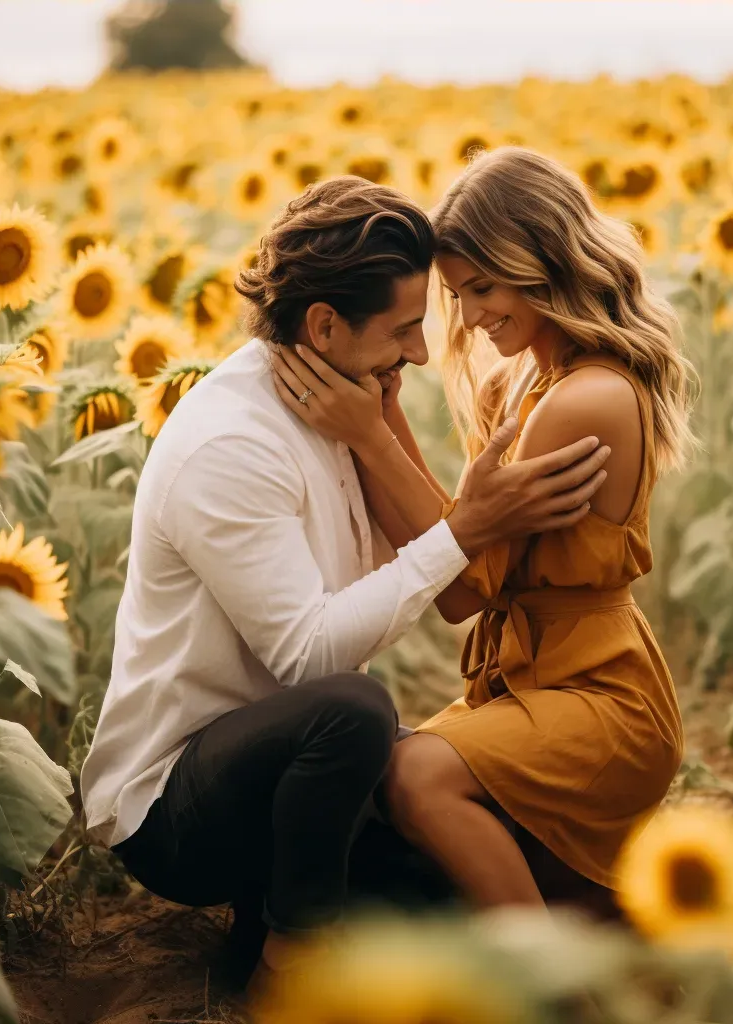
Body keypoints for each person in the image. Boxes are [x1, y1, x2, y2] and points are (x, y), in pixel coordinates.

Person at [78, 175, 611, 988]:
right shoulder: (232, 445)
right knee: (353, 710)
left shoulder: (340, 401)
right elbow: (309, 659)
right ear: (324, 325)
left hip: (297, 774)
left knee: (462, 863)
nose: (424, 353)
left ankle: (267, 924)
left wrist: (387, 436)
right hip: (178, 806)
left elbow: (451, 597)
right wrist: (466, 526)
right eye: (404, 330)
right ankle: (291, 963)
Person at [271, 148, 693, 920]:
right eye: (458, 294)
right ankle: (597, 918)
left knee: (417, 777)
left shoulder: (586, 398)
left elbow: (461, 588)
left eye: (483, 288)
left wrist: (370, 435)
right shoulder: (523, 378)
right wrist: (383, 408)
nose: (468, 316)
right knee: (382, 780)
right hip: (530, 683)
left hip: (599, 696)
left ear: (542, 260)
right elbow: (462, 537)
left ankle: (541, 988)